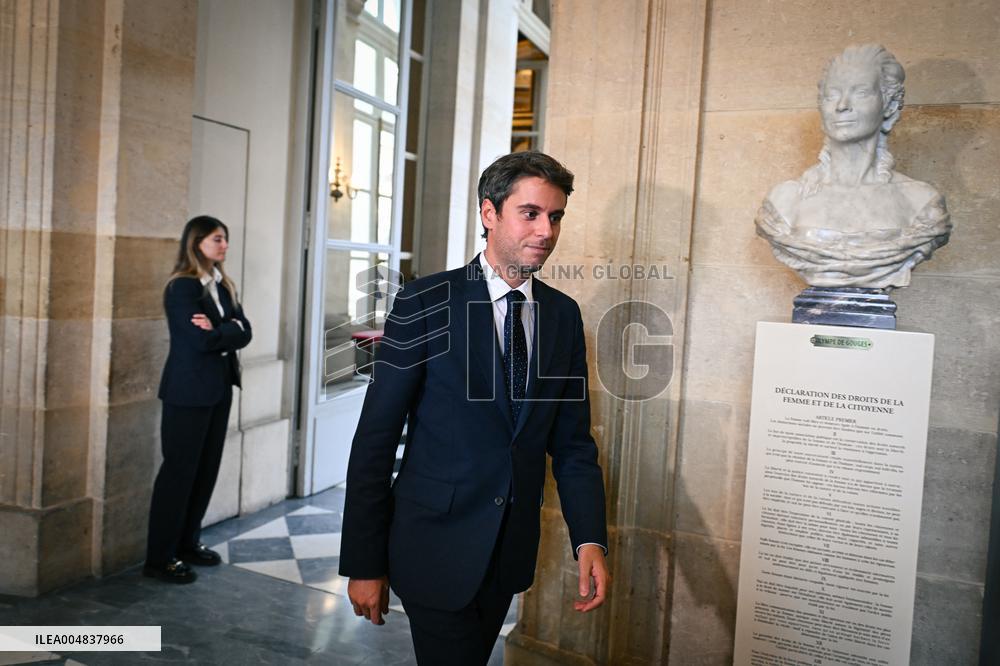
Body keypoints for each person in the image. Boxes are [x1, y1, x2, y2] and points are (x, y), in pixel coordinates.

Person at [339, 152, 610, 665]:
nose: (546, 230)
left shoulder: (563, 316)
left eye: (555, 217)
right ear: (489, 214)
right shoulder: (424, 302)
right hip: (433, 546)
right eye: (530, 213)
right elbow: (375, 437)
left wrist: (589, 540)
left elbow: (573, 444)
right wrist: (364, 562)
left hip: (508, 552)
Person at [755, 44, 951, 289]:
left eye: (860, 92)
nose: (842, 105)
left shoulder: (920, 203)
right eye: (831, 94)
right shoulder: (784, 201)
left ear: (889, 105)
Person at [144, 216, 252, 583]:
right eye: (217, 239)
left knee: (205, 471)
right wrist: (229, 331)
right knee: (178, 473)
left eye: (225, 239)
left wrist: (224, 329)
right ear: (197, 242)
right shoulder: (183, 288)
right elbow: (199, 341)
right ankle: (159, 558)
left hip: (219, 389)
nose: (224, 246)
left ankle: (187, 543)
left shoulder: (223, 286)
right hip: (187, 393)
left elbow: (246, 331)